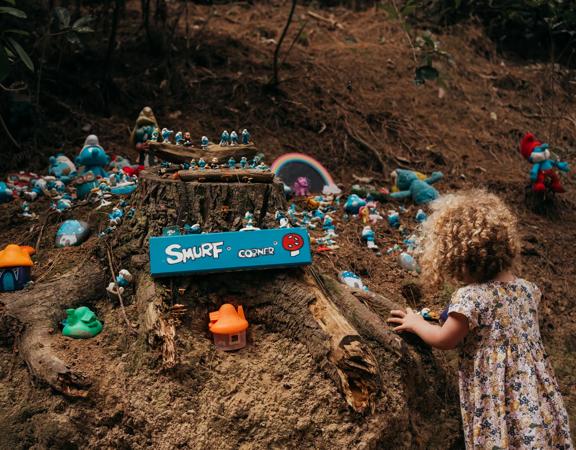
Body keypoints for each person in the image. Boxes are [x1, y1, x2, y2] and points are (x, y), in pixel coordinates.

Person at [387, 190, 573, 449]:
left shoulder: (472, 297)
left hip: (498, 397)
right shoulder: (528, 290)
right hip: (535, 393)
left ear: (463, 257)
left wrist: (416, 322)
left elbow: (445, 338)